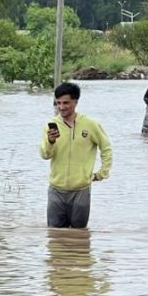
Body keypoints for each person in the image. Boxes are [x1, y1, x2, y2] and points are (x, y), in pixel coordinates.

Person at [40, 82, 113, 228]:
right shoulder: (51, 125)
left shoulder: (91, 124)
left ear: (76, 101)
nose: (61, 107)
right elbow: (45, 154)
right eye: (58, 103)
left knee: (79, 235)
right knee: (55, 235)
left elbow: (106, 148)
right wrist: (50, 140)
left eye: (66, 103)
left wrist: (102, 173)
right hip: (56, 189)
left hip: (81, 189)